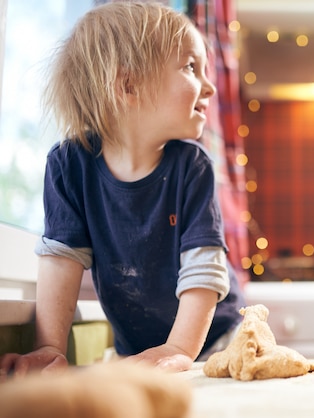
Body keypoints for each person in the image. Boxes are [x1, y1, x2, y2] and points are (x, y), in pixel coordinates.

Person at [0, 1, 245, 378]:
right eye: (192, 67)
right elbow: (61, 260)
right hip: (141, 351)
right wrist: (49, 348)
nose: (209, 86)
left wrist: (179, 348)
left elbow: (203, 271)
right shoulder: (68, 166)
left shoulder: (192, 167)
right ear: (128, 85)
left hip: (212, 341)